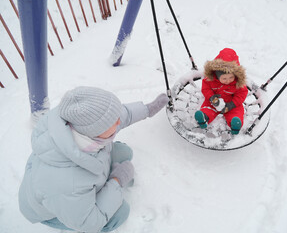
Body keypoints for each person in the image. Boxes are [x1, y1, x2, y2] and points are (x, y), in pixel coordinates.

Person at [18, 86, 169, 232]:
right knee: (120, 213)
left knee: (125, 152)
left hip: (82, 170)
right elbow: (90, 222)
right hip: (56, 209)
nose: (118, 122)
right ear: (94, 132)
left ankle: (100, 184)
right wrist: (117, 180)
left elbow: (118, 116)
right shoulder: (68, 183)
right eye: (113, 121)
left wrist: (148, 110)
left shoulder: (77, 121)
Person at [195, 48, 248, 135]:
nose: (228, 81)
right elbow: (206, 89)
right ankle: (204, 117)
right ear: (217, 75)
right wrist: (211, 97)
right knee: (207, 107)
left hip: (231, 102)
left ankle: (235, 124)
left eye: (231, 77)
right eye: (224, 78)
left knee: (237, 111)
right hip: (215, 100)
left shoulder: (238, 83)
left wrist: (231, 104)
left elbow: (242, 94)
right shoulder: (210, 80)